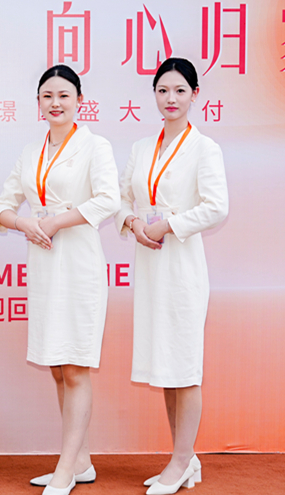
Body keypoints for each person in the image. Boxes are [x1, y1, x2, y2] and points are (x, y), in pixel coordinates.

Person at [0, 65, 120, 495]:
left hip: (79, 264)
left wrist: (56, 222)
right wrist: (24, 223)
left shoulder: (95, 145)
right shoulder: (31, 151)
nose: (55, 103)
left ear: (79, 100)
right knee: (57, 366)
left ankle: (65, 469)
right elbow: (1, 206)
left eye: (64, 95)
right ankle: (80, 460)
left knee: (76, 366)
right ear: (38, 103)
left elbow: (108, 199)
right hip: (44, 265)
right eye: (47, 96)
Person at [115, 58, 228, 495]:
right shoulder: (142, 147)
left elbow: (216, 207)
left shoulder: (205, 148)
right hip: (149, 265)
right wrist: (132, 222)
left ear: (195, 95)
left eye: (180, 90)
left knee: (184, 366)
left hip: (181, 267)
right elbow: (121, 197)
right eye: (163, 90)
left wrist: (168, 225)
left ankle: (180, 461)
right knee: (164, 363)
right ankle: (185, 457)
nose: (171, 99)